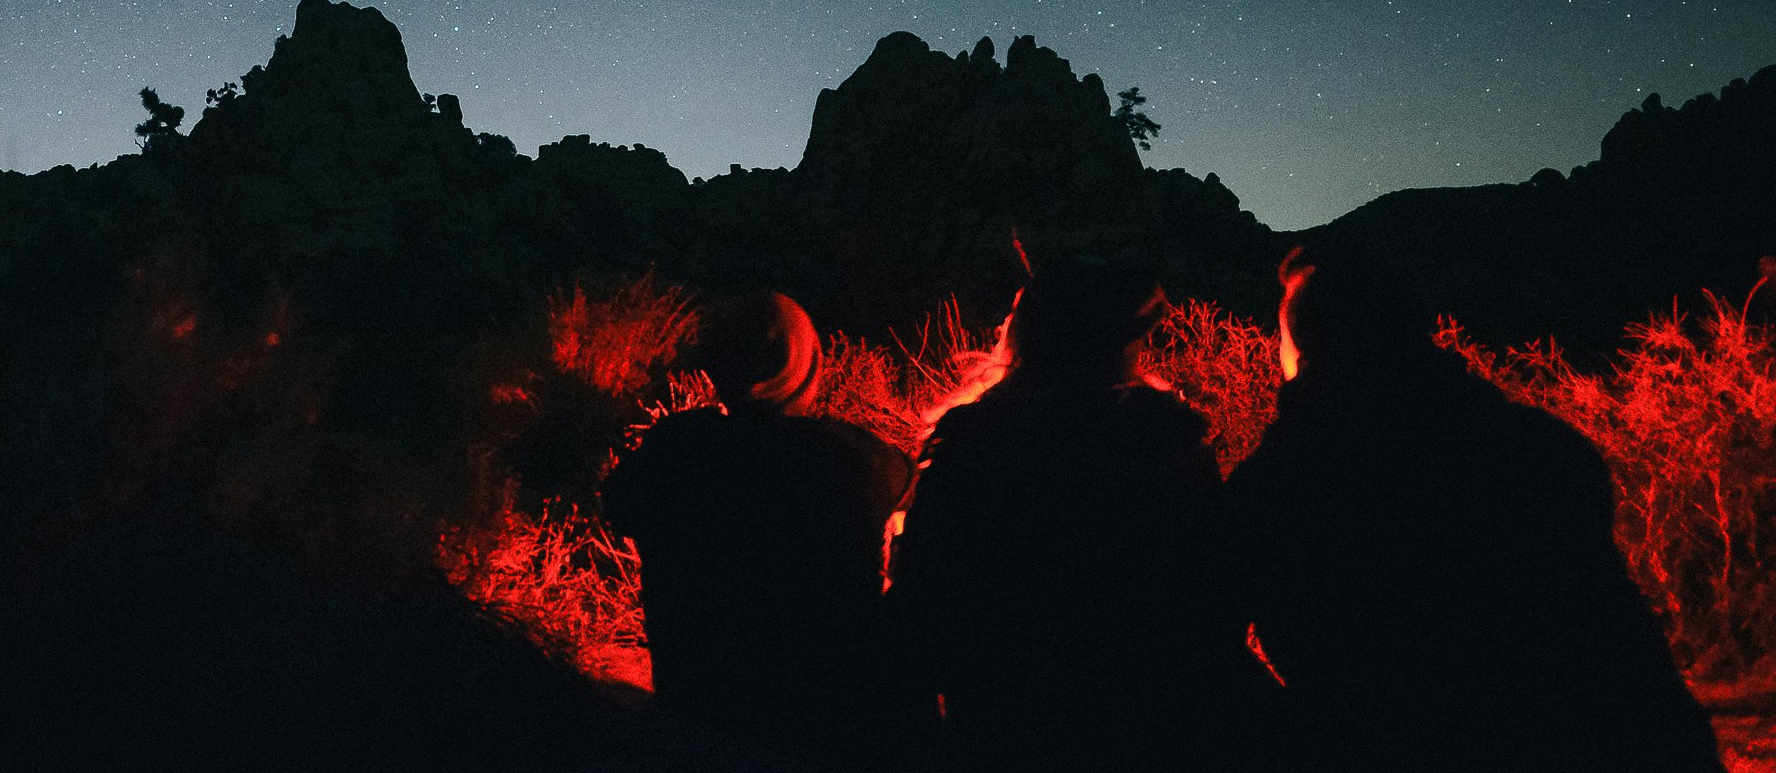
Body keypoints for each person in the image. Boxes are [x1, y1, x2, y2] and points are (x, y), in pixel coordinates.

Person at [1228, 246, 1722, 772]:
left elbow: (1203, 653)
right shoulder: (1542, 451)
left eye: (1281, 336)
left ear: (1305, 350)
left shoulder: (1275, 492)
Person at [885, 256, 1261, 772]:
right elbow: (1214, 603)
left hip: (1002, 730)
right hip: (1150, 731)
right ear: (1126, 344)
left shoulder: (972, 444)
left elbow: (923, 605)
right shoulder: (1170, 445)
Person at [603, 290, 926, 769]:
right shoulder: (855, 457)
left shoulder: (676, 452)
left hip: (702, 711)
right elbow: (917, 495)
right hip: (827, 723)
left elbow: (618, 506)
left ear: (719, 364)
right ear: (808, 366)